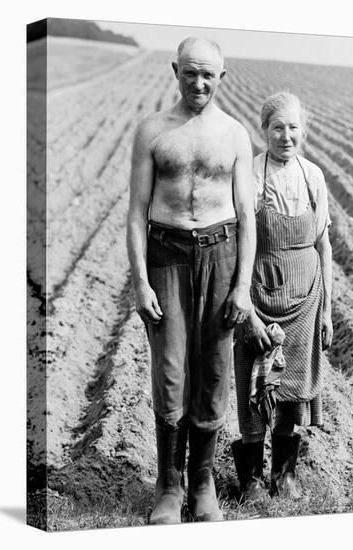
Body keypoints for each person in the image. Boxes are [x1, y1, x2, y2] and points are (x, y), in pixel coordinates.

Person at [127, 37, 258, 524]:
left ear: (222, 77)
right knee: (170, 370)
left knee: (215, 372)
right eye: (190, 72)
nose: (198, 83)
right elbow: (136, 212)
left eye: (209, 75)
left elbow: (247, 215)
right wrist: (140, 282)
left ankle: (202, 484)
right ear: (175, 70)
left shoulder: (236, 135)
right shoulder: (153, 131)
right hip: (167, 257)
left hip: (220, 257)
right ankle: (168, 487)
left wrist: (242, 285)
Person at [232, 91, 333, 501]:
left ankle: (284, 475)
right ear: (264, 131)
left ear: (303, 131)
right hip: (259, 295)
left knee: (291, 388)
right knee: (255, 384)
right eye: (277, 127)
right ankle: (252, 479)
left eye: (293, 127)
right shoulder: (251, 175)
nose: (285, 136)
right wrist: (244, 303)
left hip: (305, 298)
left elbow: (324, 246)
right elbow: (239, 240)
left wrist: (326, 309)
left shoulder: (313, 177)